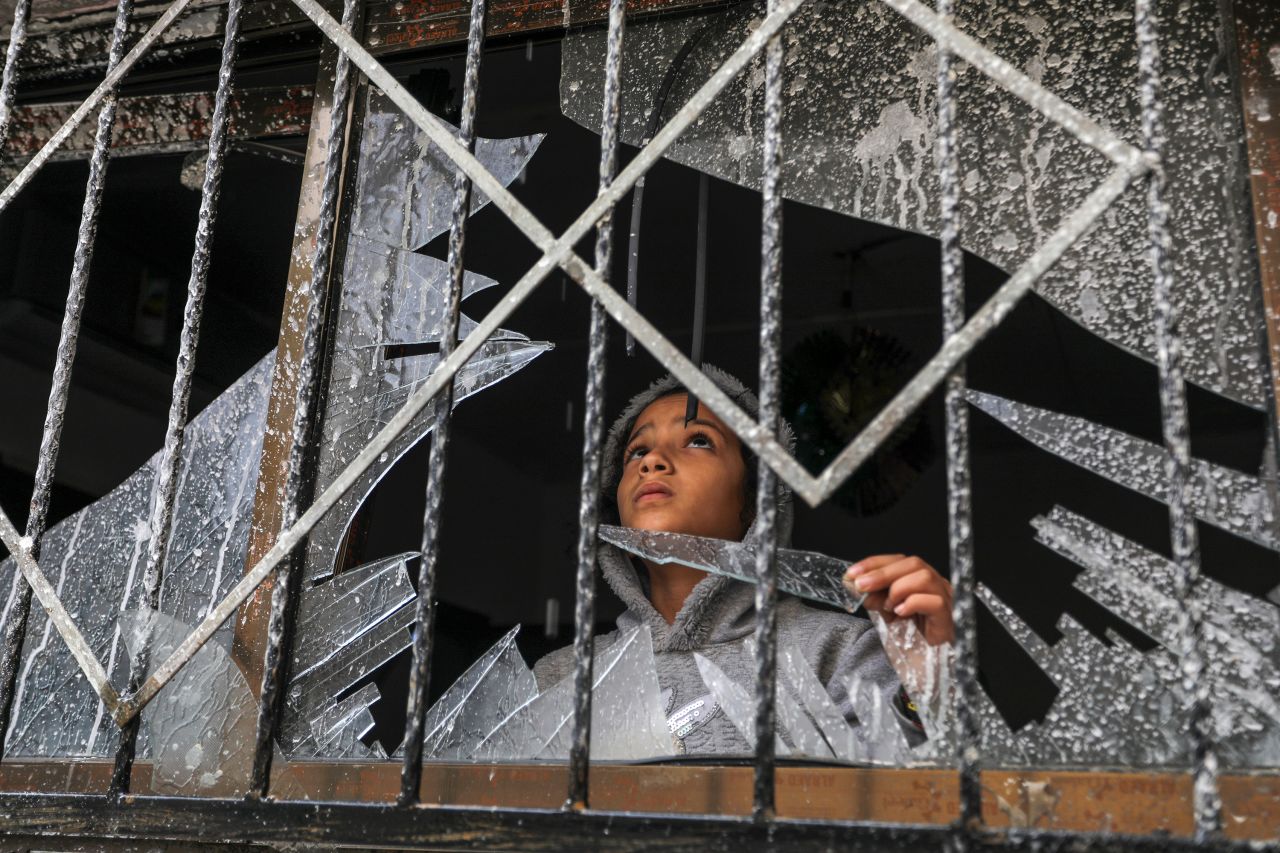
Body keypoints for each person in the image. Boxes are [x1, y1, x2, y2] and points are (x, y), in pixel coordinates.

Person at [533, 367, 955, 755]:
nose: (651, 461)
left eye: (699, 440)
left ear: (755, 504)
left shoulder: (838, 649)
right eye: (636, 451)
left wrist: (930, 689)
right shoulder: (561, 677)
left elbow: (915, 802)